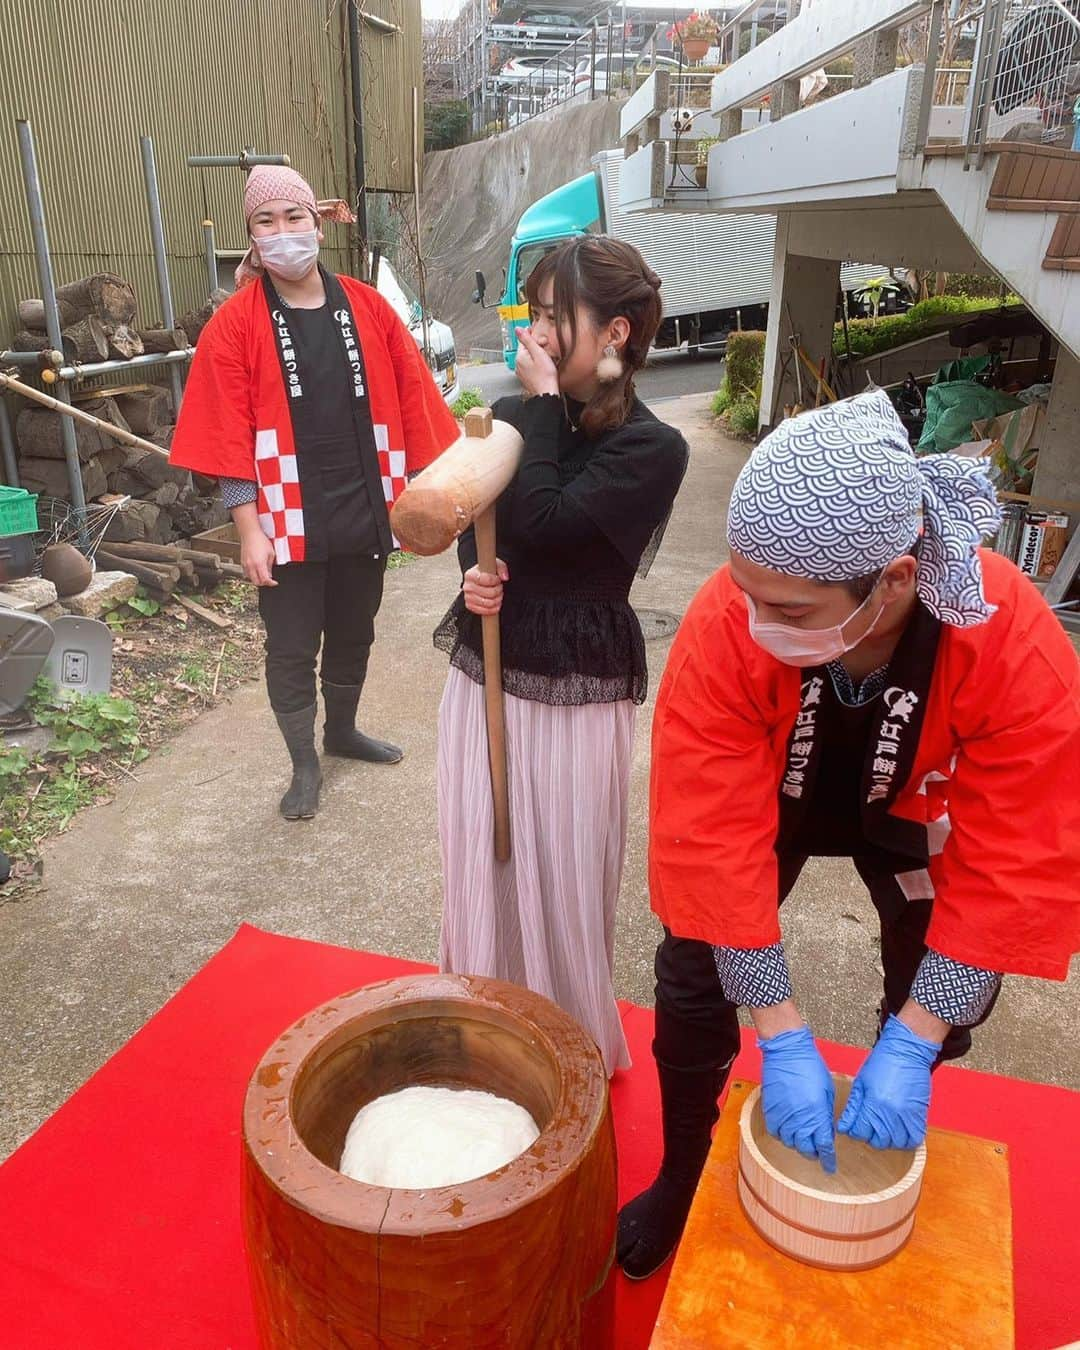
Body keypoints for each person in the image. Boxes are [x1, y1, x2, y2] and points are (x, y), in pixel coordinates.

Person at [618, 389, 1080, 1279]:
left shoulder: (1006, 634)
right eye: (744, 592)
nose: (755, 624)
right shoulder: (733, 617)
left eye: (788, 613)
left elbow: (1018, 861)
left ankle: (888, 1118)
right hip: (776, 790)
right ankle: (681, 1171)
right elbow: (709, 842)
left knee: (941, 975)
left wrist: (919, 1031)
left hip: (910, 795)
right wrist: (780, 1029)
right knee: (692, 971)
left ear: (896, 578)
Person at [434, 236, 688, 1075]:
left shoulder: (652, 449)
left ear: (614, 331)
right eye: (532, 317)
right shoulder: (516, 416)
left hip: (575, 688)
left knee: (564, 873)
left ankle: (565, 1046)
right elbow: (483, 528)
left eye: (552, 319)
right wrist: (477, 577)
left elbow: (546, 521)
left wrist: (536, 405)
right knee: (485, 853)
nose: (535, 337)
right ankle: (482, 1027)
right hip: (490, 670)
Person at [170, 166, 458, 820]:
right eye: (265, 223)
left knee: (355, 628)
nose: (282, 233)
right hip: (284, 514)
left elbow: (415, 404)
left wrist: (428, 495)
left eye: (293, 218)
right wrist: (248, 529)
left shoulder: (367, 305)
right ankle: (303, 763)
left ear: (317, 224)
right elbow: (225, 434)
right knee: (293, 644)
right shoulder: (235, 324)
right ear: (251, 237)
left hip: (366, 500)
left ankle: (342, 732)